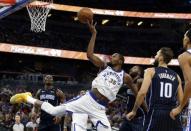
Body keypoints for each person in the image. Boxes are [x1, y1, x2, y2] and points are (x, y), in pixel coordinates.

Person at [10, 21, 146, 131]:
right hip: (88, 99)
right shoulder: (104, 66)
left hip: (100, 108)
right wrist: (93, 34)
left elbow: (138, 94)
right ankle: (27, 97)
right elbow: (89, 55)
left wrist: (146, 109)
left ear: (121, 61)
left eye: (115, 55)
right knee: (54, 111)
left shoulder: (125, 76)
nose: (112, 56)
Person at [127, 47, 183, 131]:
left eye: (157, 54)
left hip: (156, 111)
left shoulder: (150, 71)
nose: (155, 56)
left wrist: (134, 111)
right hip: (172, 113)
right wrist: (178, 110)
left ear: (161, 58)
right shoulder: (177, 76)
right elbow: (181, 100)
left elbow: (142, 93)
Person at [170, 29, 191, 120]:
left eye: (184, 37)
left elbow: (189, 81)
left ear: (187, 39)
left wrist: (180, 107)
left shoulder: (184, 56)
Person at [119, 66, 145, 131]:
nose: (132, 69)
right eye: (131, 68)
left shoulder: (142, 81)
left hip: (139, 118)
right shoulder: (128, 84)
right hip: (128, 116)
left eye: (135, 68)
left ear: (140, 72)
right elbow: (119, 91)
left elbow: (138, 94)